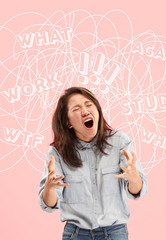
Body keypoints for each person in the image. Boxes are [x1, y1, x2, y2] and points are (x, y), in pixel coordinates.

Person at [38, 87, 148, 240]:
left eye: (89, 105)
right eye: (76, 108)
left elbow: (137, 191)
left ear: (97, 110)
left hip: (114, 233)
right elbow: (49, 204)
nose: (85, 111)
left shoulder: (120, 142)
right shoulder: (57, 152)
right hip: (76, 234)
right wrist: (49, 188)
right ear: (68, 122)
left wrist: (134, 177)